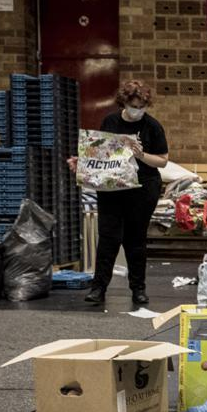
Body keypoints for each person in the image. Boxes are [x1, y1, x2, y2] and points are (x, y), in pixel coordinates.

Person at [72, 80, 169, 305]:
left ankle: (138, 289)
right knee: (108, 237)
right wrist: (82, 161)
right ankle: (98, 288)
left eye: (142, 107)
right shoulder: (110, 121)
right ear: (124, 102)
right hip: (112, 187)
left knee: (135, 239)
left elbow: (163, 161)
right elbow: (100, 152)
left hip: (143, 187)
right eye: (134, 106)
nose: (138, 111)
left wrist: (141, 155)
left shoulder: (152, 126)